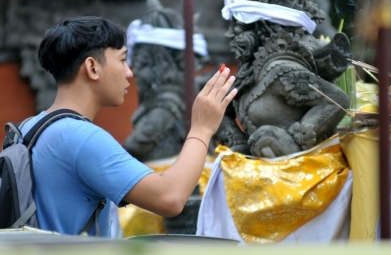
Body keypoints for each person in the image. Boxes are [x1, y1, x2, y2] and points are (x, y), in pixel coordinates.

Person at [21, 16, 237, 237]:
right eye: (123, 60)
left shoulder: (28, 128)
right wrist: (202, 128)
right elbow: (170, 198)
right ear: (92, 67)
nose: (129, 73)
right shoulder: (81, 138)